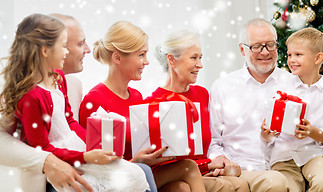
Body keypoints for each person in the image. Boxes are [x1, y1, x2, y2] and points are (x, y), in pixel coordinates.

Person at [0, 13, 149, 191]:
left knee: (137, 173)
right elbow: (41, 147)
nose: (67, 51)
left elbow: (70, 121)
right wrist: (86, 156)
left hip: (76, 150)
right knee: (133, 175)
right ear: (45, 51)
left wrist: (95, 146)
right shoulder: (31, 97)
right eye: (64, 46)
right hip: (62, 159)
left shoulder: (59, 79)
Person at [208, 18, 323, 192]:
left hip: (296, 162)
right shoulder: (223, 86)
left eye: (270, 45)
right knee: (277, 182)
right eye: (256, 46)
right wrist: (221, 160)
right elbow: (213, 142)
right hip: (250, 168)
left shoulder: (296, 81)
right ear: (242, 49)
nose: (265, 52)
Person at [79, 21, 207, 192]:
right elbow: (95, 167)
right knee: (188, 168)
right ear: (117, 58)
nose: (146, 62)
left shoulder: (136, 97)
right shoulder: (95, 100)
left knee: (181, 186)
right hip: (121, 178)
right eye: (141, 55)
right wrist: (135, 163)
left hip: (143, 171)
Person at [147, 30, 250, 192]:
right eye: (194, 58)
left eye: (200, 57)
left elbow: (210, 143)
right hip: (175, 176)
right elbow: (163, 161)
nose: (200, 65)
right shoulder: (155, 103)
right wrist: (206, 165)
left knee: (240, 184)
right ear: (171, 60)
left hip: (203, 172)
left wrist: (215, 164)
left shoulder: (202, 94)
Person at [261, 28, 323, 191]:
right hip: (283, 158)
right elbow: (268, 133)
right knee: (288, 188)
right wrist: (266, 134)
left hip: (314, 155)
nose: (291, 60)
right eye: (290, 55)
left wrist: (313, 132)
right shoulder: (280, 88)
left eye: (298, 54)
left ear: (318, 58)